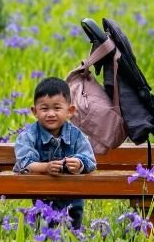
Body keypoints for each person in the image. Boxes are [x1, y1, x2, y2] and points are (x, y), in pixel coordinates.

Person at [13, 77, 98, 229]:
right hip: (42, 198)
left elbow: (90, 160)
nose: (51, 114)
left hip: (72, 198)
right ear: (34, 111)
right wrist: (45, 168)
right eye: (44, 109)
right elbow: (25, 162)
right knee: (44, 232)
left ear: (70, 111)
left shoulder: (76, 135)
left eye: (57, 108)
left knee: (72, 234)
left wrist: (79, 164)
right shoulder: (28, 136)